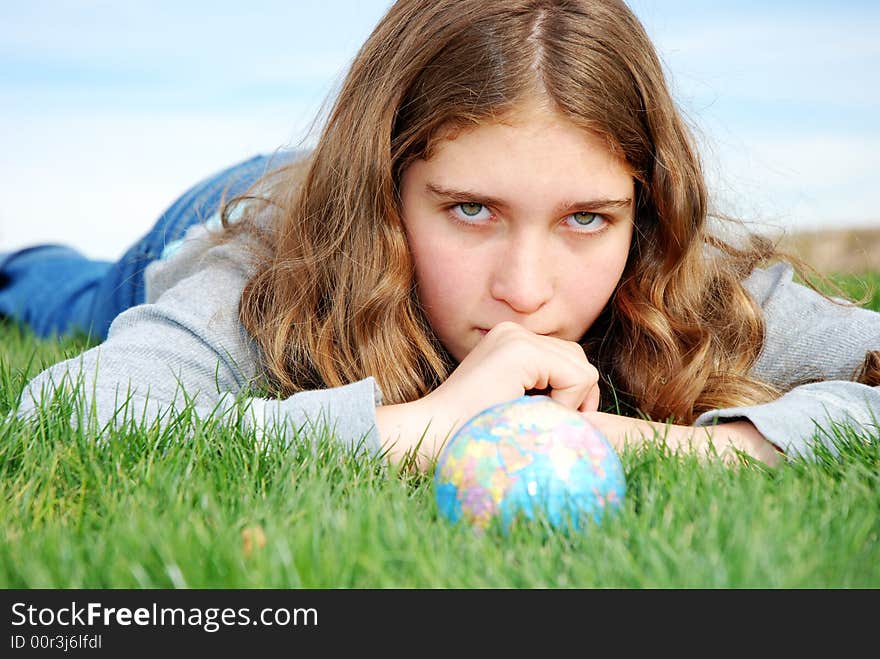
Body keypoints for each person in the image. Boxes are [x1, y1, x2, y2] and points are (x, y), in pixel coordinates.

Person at [2, 0, 878, 471]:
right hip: (238, 200)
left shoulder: (679, 272)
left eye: (586, 218)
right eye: (470, 210)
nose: (526, 290)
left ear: (643, 210)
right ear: (385, 195)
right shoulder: (273, 263)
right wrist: (436, 421)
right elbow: (71, 416)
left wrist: (666, 443)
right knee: (63, 298)